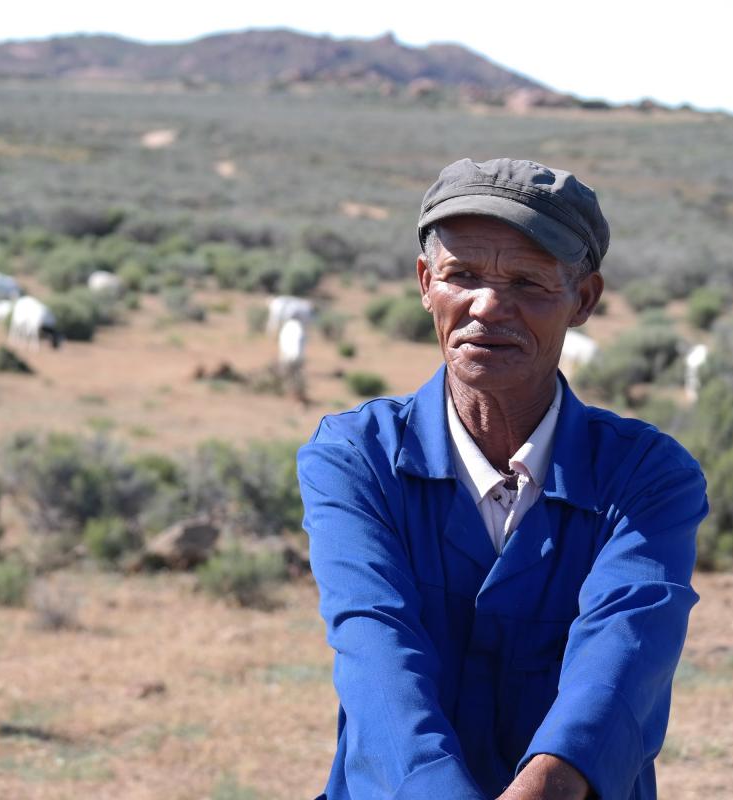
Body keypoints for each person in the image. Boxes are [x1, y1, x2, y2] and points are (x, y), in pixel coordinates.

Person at [297, 158, 707, 800]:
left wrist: (552, 782)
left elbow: (625, 653)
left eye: (528, 282)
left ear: (584, 300)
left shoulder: (646, 476)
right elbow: (375, 647)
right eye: (461, 276)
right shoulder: (357, 458)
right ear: (426, 283)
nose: (488, 306)